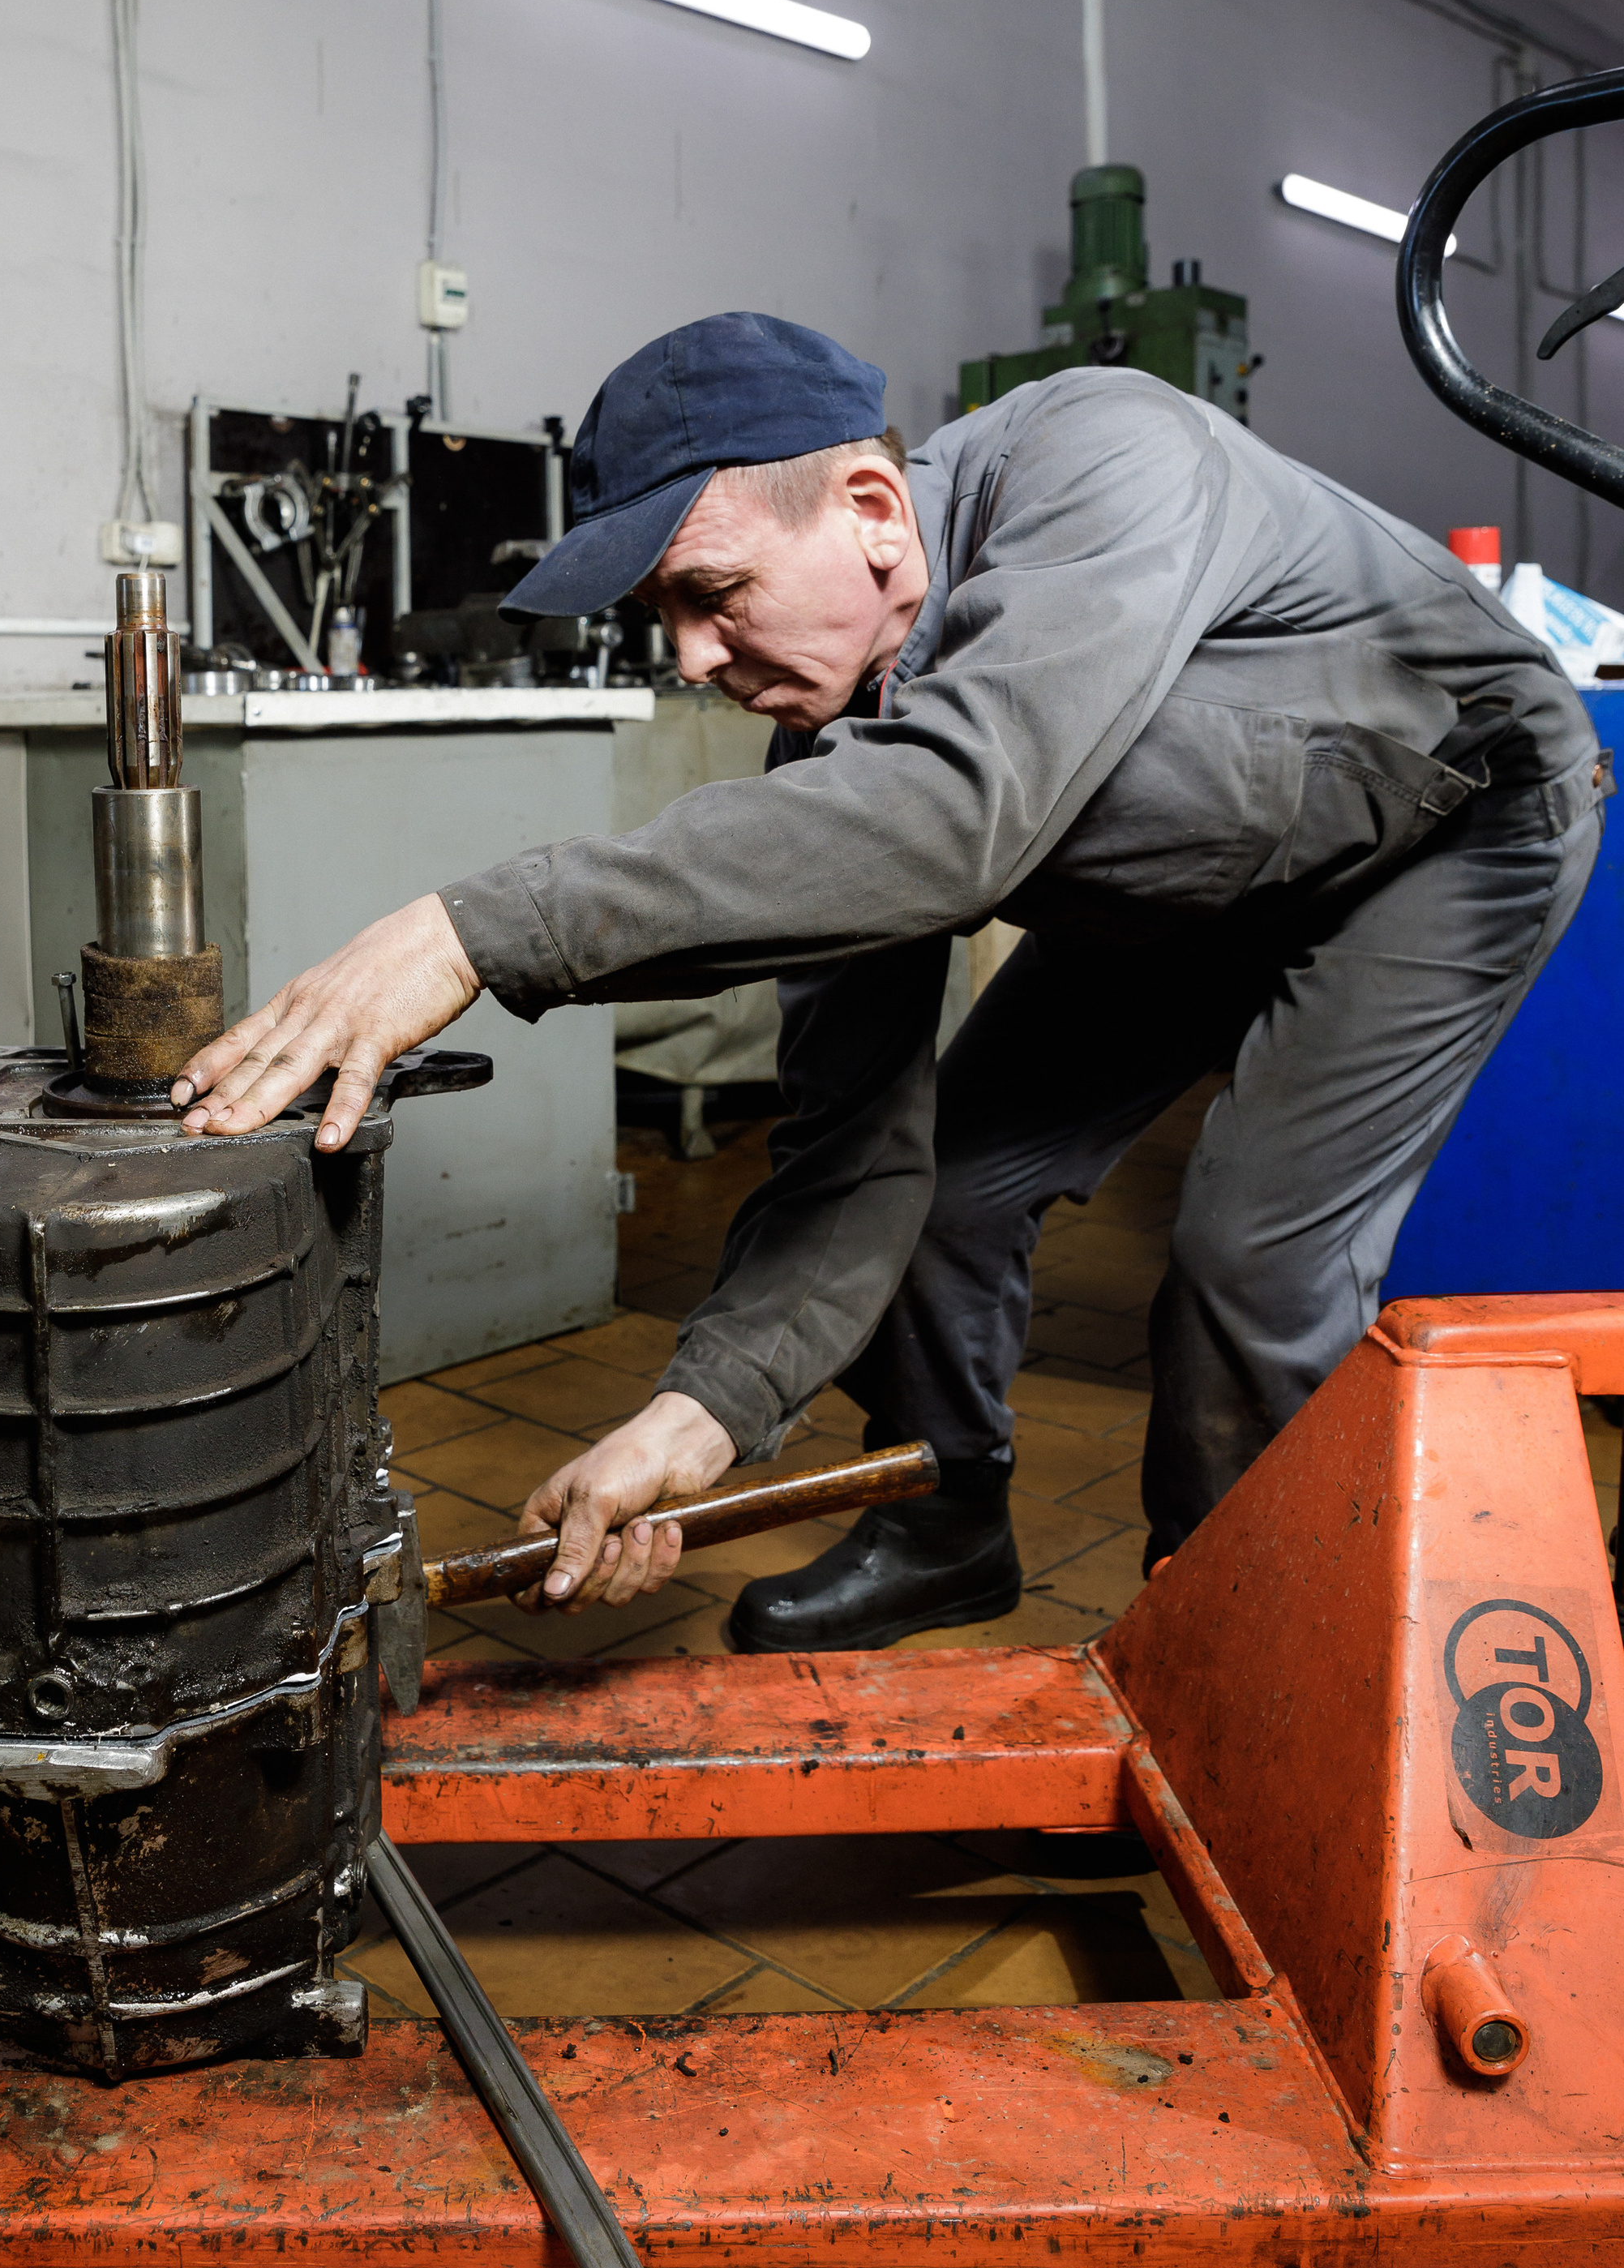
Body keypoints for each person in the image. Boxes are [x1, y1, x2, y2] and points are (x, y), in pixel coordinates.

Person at [172, 311, 1605, 1652]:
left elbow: (956, 816)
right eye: (666, 614)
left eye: (713, 594)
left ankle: (1246, 1644)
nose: (692, 657)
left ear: (869, 508)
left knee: (1253, 1261)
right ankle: (945, 1523)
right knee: (950, 1191)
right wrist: (699, 1412)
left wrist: (470, 933)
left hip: (1447, 827)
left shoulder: (1104, 455)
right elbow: (852, 1141)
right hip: (1197, 873)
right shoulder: (836, 746)